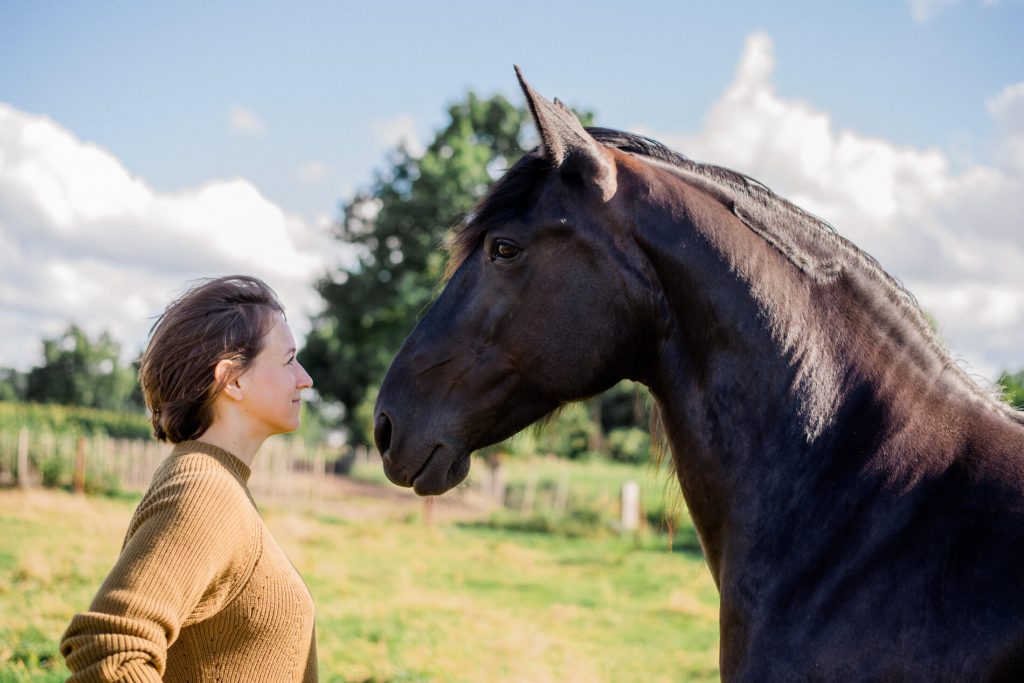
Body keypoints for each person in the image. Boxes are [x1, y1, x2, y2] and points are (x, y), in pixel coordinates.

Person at [60, 275, 318, 682]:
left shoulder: (219, 480)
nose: (305, 378)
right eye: (288, 360)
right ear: (233, 379)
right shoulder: (203, 488)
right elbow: (110, 646)